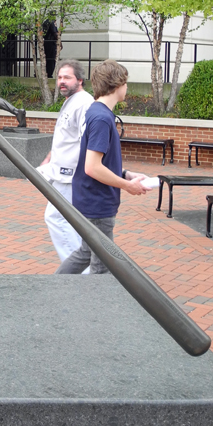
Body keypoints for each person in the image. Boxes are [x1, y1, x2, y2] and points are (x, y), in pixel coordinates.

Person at [56, 60, 147, 275]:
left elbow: (95, 162)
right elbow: (92, 167)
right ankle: (95, 304)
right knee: (103, 266)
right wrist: (127, 185)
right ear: (117, 85)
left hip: (91, 198)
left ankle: (52, 288)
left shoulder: (96, 112)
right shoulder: (102, 118)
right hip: (97, 202)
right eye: (125, 83)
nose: (127, 88)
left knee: (86, 253)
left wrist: (124, 173)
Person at [38, 59, 94, 263]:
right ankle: (83, 266)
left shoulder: (84, 103)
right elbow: (65, 137)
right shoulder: (70, 101)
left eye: (67, 77)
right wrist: (49, 158)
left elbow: (86, 141)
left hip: (71, 177)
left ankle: (78, 270)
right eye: (59, 77)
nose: (61, 81)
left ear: (79, 79)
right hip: (62, 173)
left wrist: (83, 174)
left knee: (56, 218)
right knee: (72, 222)